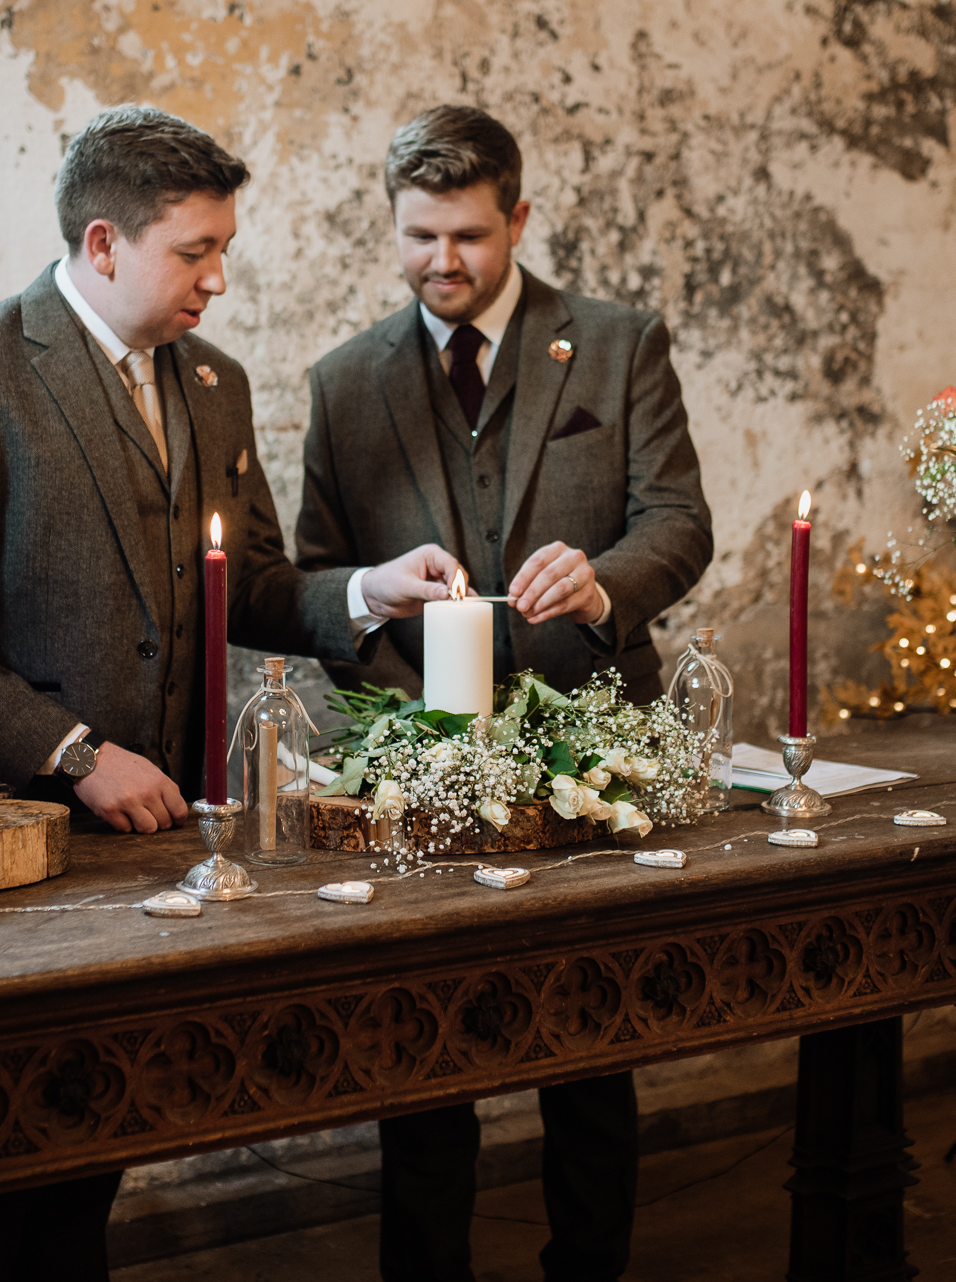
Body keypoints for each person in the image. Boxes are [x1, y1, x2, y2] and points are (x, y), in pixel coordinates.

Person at [0, 104, 457, 1280]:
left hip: (162, 843)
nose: (220, 280)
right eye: (197, 252)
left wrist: (371, 593)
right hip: (5, 841)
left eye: (223, 249)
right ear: (102, 245)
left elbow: (262, 588)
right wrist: (76, 750)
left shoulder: (217, 385)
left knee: (90, 1155)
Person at [295, 105, 713, 1281]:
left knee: (593, 1046)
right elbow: (319, 579)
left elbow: (680, 523)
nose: (443, 261)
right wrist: (401, 709)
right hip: (422, 763)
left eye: (470, 235)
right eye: (419, 235)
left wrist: (601, 585)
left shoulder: (621, 343)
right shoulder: (343, 382)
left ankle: (591, 1266)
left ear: (518, 219)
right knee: (421, 1061)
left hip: (594, 757)